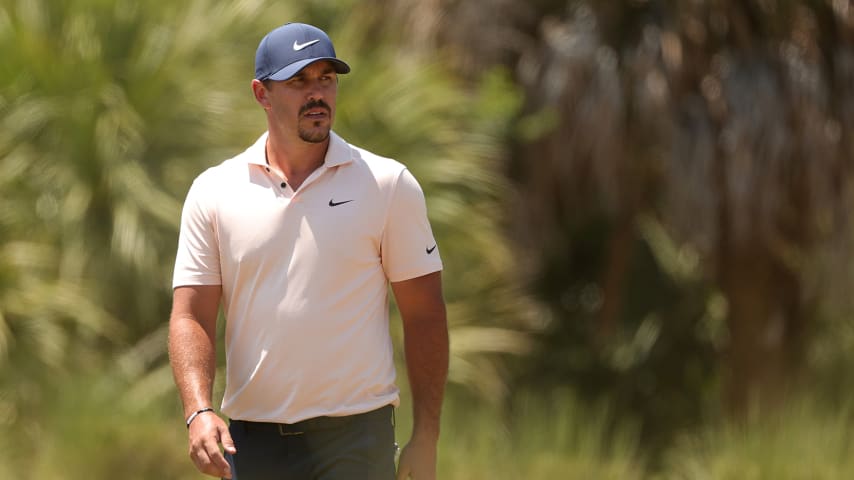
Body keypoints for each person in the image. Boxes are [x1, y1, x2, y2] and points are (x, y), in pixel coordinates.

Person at [168, 22, 448, 480]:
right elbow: (191, 315)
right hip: (253, 442)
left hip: (357, 438)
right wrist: (198, 410)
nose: (317, 93)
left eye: (326, 79)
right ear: (262, 93)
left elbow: (425, 314)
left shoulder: (387, 184)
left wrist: (427, 435)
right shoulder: (214, 191)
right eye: (299, 80)